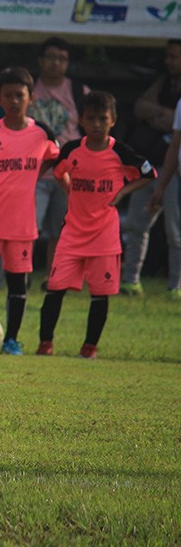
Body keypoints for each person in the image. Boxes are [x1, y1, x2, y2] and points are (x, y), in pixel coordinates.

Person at [37, 91, 155, 358]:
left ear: (113, 120)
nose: (97, 124)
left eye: (103, 118)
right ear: (81, 121)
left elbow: (149, 174)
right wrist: (70, 191)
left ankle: (89, 348)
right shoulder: (72, 150)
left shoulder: (120, 153)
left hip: (104, 236)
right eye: (91, 119)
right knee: (55, 287)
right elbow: (58, 172)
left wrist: (123, 192)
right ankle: (45, 344)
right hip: (73, 233)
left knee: (100, 294)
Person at [0, 67, 60, 355]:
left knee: (18, 283)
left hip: (22, 223)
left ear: (31, 98)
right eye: (8, 95)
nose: (14, 100)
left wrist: (35, 174)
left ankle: (12, 341)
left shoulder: (42, 133)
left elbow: (57, 158)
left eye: (20, 95)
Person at [120, 39, 181, 297]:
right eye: (168, 56)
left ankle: (176, 285)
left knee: (175, 232)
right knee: (136, 225)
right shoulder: (164, 82)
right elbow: (140, 107)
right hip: (150, 167)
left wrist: (159, 116)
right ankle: (130, 281)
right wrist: (162, 113)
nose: (169, 62)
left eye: (174, 57)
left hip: (174, 171)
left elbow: (171, 128)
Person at [27, 37, 90, 283]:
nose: (56, 63)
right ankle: (22, 274)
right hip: (34, 172)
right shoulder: (28, 87)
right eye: (51, 57)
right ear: (41, 60)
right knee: (28, 229)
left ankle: (54, 277)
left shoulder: (79, 92)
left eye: (62, 59)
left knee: (61, 229)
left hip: (68, 174)